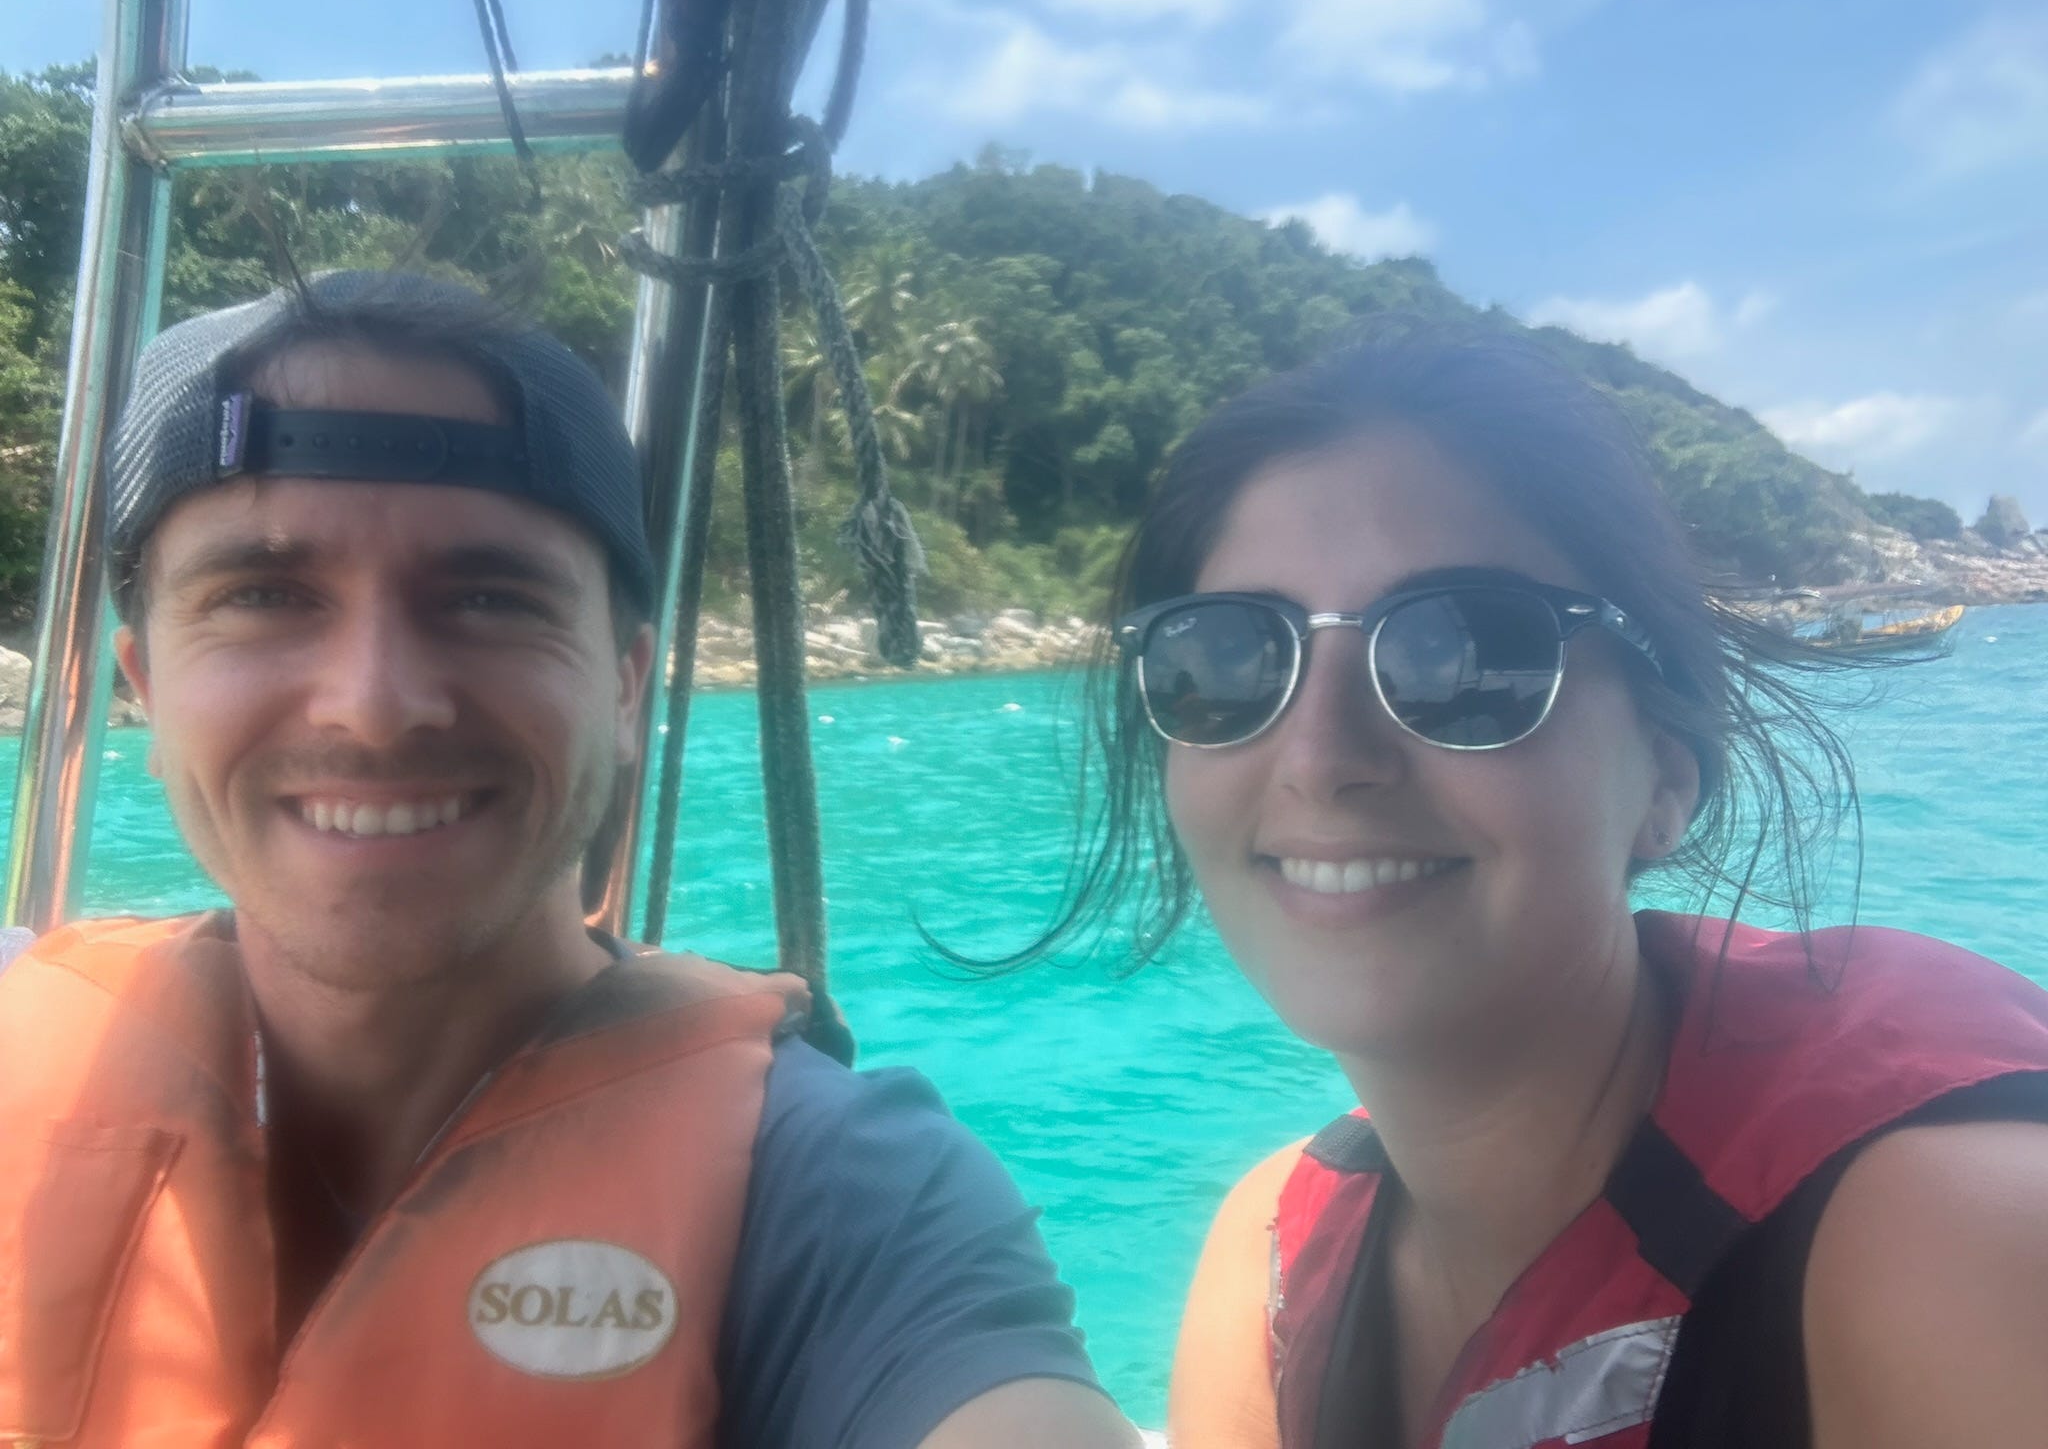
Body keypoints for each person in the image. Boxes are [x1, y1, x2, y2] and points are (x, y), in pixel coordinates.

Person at [0, 270, 1139, 1449]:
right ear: (145, 689)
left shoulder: (849, 1205)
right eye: (265, 594)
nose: (375, 707)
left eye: (489, 598)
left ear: (625, 689)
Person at [1048, 319, 2048, 1448]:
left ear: (1664, 776)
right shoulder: (1270, 1257)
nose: (1320, 759)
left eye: (1467, 655)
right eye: (1227, 661)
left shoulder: (1944, 1250)